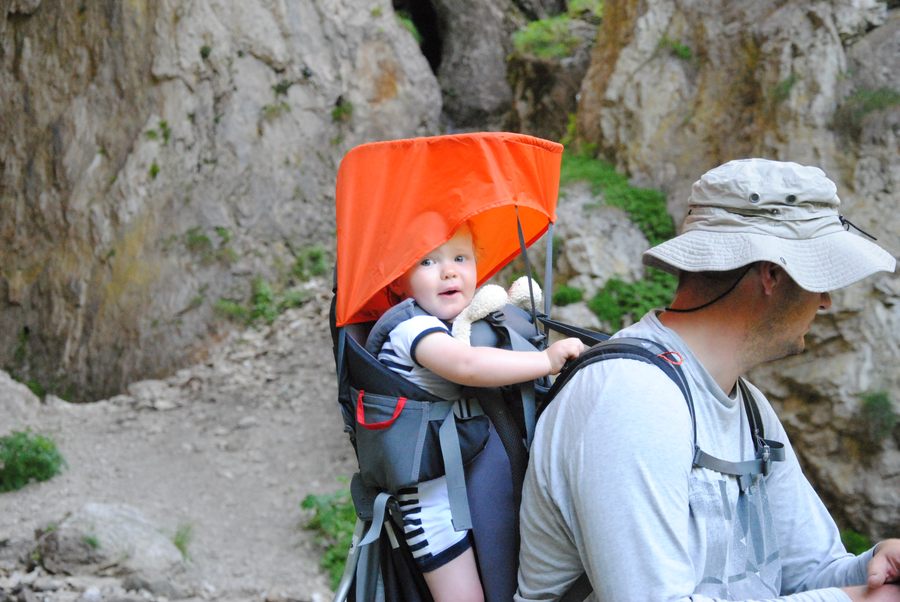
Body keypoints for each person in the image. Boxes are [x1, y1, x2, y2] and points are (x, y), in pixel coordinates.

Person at [516, 158, 900, 601]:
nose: (827, 300)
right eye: (819, 276)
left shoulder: (749, 408)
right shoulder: (630, 399)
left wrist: (872, 568)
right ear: (771, 273)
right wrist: (855, 600)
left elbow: (807, 573)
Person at [379, 222, 587, 602]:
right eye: (427, 261)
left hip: (457, 485)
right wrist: (545, 360)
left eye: (461, 258)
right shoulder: (411, 329)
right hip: (429, 506)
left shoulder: (449, 325)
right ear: (399, 281)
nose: (449, 271)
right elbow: (468, 366)